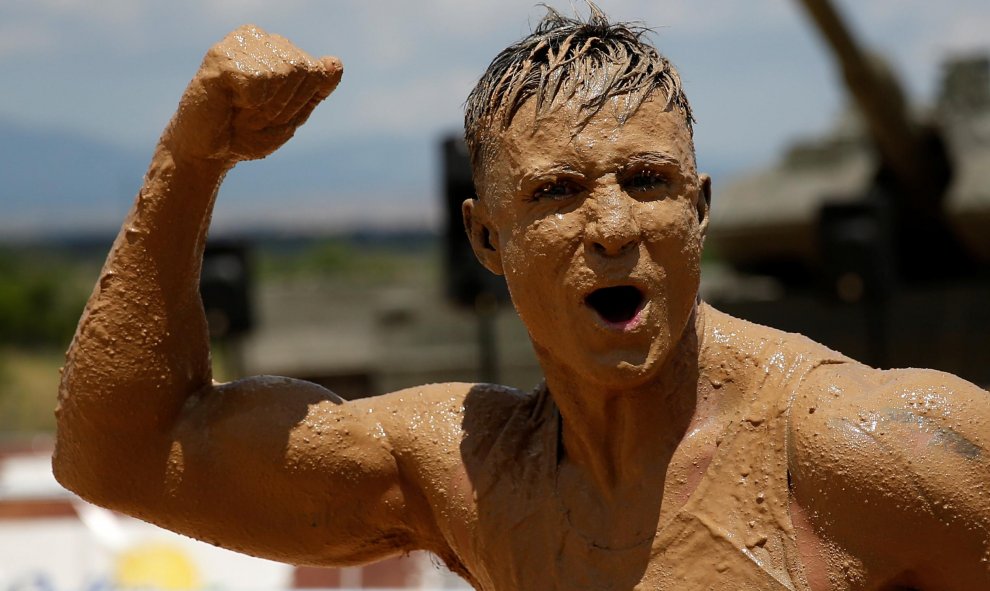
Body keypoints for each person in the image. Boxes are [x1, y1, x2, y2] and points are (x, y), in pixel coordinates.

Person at [54, 7, 990, 590]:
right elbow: (119, 454)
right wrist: (191, 159)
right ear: (486, 239)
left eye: (650, 180)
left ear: (700, 211)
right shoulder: (469, 476)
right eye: (557, 192)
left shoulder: (872, 451)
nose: (614, 225)